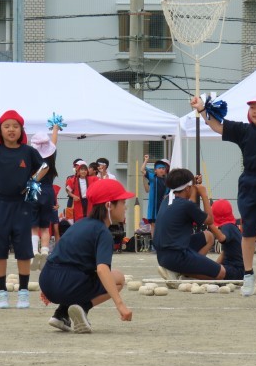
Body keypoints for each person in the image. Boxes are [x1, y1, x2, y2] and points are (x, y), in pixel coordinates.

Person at [192, 93, 256, 297]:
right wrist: (202, 109)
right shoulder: (244, 130)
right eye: (252, 107)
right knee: (248, 231)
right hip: (249, 183)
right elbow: (217, 126)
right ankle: (248, 274)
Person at [0, 93, 47, 309]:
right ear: (0, 129)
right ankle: (2, 292)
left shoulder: (28, 151)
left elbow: (44, 167)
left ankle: (23, 292)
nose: (11, 129)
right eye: (7, 126)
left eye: (16, 126)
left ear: (22, 130)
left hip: (22, 205)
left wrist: (33, 181)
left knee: (24, 250)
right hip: (0, 204)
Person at [39, 178, 134, 333]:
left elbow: (58, 253)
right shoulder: (103, 233)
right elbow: (103, 270)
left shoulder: (80, 224)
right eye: (123, 202)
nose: (126, 208)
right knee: (118, 278)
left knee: (86, 272)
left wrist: (51, 286)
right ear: (109, 205)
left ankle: (62, 314)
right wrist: (120, 305)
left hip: (47, 281)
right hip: (67, 284)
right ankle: (82, 308)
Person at [153, 168, 221, 281]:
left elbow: (191, 205)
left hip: (163, 256)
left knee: (208, 236)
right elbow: (210, 220)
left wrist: (193, 185)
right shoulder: (186, 205)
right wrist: (204, 195)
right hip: (177, 255)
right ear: (187, 188)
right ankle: (185, 273)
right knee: (220, 273)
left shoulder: (166, 200)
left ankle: (179, 270)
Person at [29, 125, 60, 271]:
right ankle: (45, 252)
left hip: (33, 188)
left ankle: (34, 251)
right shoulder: (51, 158)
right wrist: (55, 129)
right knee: (45, 227)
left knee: (33, 226)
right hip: (48, 190)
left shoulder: (31, 157)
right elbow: (53, 143)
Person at [208, 199, 244, 281]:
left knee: (208, 269)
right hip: (238, 269)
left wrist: (210, 224)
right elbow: (224, 253)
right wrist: (215, 265)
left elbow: (222, 239)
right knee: (210, 268)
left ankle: (188, 274)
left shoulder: (227, 227)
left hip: (235, 270)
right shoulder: (232, 227)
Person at [140, 154, 170, 236]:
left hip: (163, 205)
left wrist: (167, 195)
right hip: (153, 206)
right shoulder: (152, 177)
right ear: (155, 170)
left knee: (163, 224)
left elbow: (172, 192)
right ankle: (155, 243)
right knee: (153, 224)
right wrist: (146, 160)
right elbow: (142, 169)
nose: (161, 170)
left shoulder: (168, 180)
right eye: (159, 168)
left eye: (163, 168)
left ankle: (162, 241)